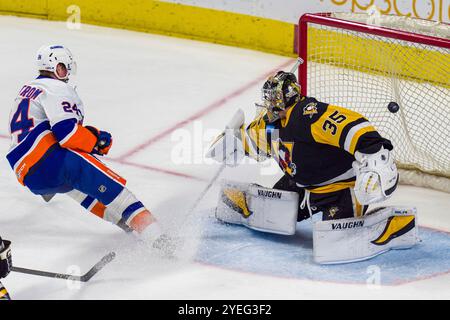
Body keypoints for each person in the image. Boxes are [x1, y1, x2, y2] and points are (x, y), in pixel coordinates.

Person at [6, 45, 165, 245]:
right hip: (52, 161)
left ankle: (131, 228)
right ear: (58, 67)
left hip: (28, 175)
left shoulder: (26, 90)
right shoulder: (56, 88)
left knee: (82, 190)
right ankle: (160, 240)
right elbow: (67, 134)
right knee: (119, 195)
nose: (67, 74)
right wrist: (96, 141)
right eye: (65, 68)